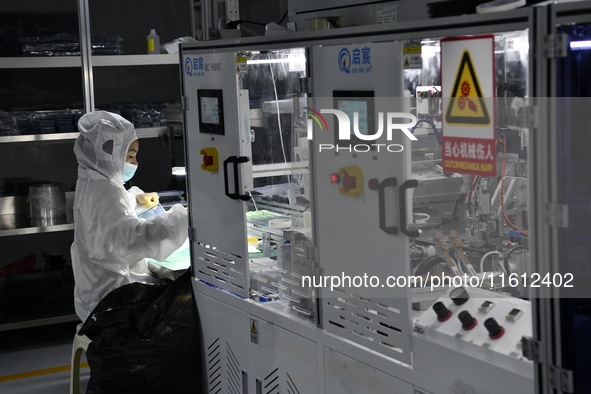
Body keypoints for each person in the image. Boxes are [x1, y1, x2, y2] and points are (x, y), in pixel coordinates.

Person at [71, 110, 188, 322]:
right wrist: (183, 219)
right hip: (116, 301)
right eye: (130, 155)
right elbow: (130, 241)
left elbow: (104, 222)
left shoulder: (91, 181)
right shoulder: (107, 192)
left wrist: (134, 199)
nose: (135, 163)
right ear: (109, 153)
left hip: (94, 294)